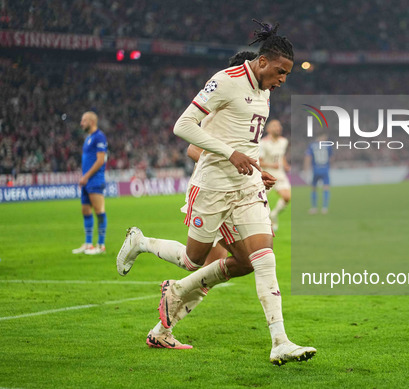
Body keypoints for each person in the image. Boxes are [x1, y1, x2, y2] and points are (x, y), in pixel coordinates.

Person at [117, 20, 315, 365]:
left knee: (262, 257)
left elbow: (245, 142)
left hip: (246, 186)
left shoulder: (265, 93)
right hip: (212, 187)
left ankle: (280, 340)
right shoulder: (225, 81)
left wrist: (256, 168)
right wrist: (229, 154)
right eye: (281, 71)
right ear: (264, 61)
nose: (283, 79)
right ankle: (144, 245)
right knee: (195, 260)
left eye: (287, 74)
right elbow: (183, 126)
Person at [72, 111, 108, 255]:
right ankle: (88, 244)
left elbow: (100, 160)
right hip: (87, 181)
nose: (81, 123)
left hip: (95, 180)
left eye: (84, 120)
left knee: (99, 211)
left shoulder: (99, 137)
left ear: (92, 122)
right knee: (86, 211)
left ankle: (101, 245)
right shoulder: (88, 138)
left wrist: (86, 176)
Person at [260, 119, 291, 231]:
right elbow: (259, 161)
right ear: (268, 129)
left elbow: (281, 156)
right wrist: (271, 165)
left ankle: (274, 214)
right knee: (261, 202)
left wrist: (285, 165)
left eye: (279, 126)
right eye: (274, 126)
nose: (278, 128)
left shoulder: (284, 141)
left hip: (280, 174)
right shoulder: (263, 143)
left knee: (287, 197)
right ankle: (265, 222)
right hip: (267, 174)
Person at [304, 133, 333, 214]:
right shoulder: (328, 145)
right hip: (325, 169)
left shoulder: (312, 145)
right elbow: (331, 158)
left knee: (314, 188)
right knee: (326, 188)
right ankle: (325, 208)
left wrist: (306, 169)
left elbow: (308, 157)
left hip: (315, 169)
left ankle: (314, 208)